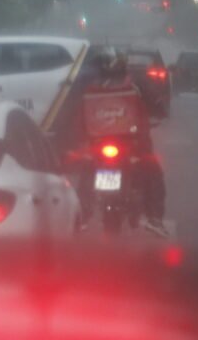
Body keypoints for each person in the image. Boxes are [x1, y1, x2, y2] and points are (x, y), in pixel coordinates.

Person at [54, 47, 167, 236]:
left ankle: (83, 216)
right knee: (152, 171)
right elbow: (157, 107)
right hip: (133, 143)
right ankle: (155, 219)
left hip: (99, 142)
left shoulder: (89, 85)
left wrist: (77, 138)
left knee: (87, 171)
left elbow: (73, 112)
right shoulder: (135, 83)